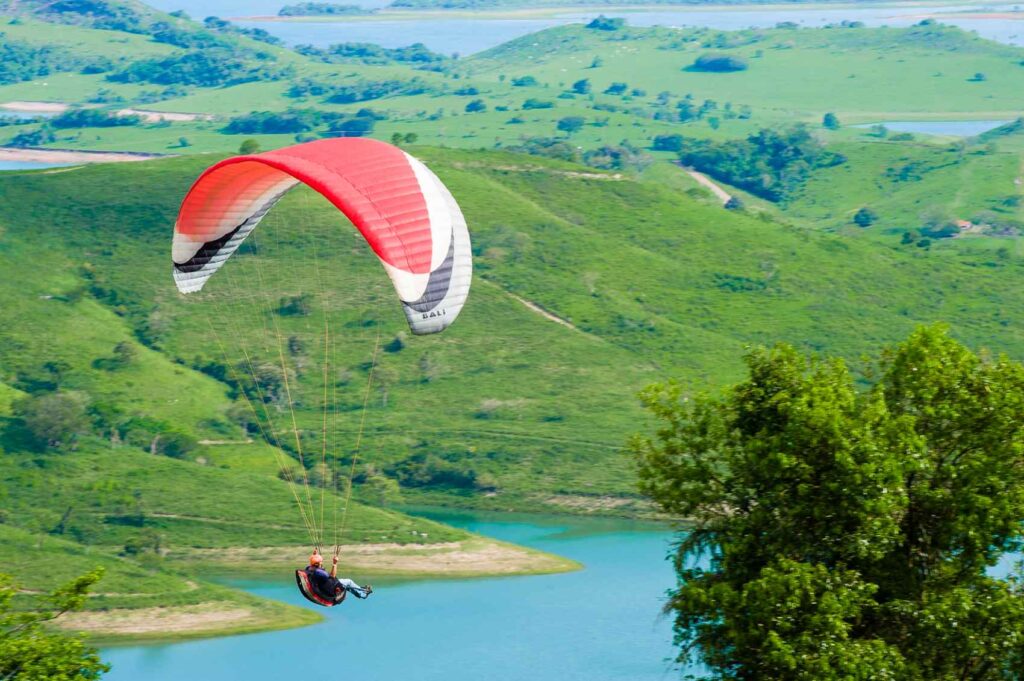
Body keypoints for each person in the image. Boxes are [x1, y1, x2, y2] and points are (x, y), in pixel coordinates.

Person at [307, 550, 373, 600]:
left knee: (346, 584)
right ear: (318, 564)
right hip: (330, 588)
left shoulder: (309, 568)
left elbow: (313, 562)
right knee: (348, 582)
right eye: (321, 562)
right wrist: (335, 563)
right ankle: (363, 594)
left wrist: (314, 555)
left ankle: (359, 590)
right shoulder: (319, 572)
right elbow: (332, 576)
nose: (322, 563)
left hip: (323, 586)